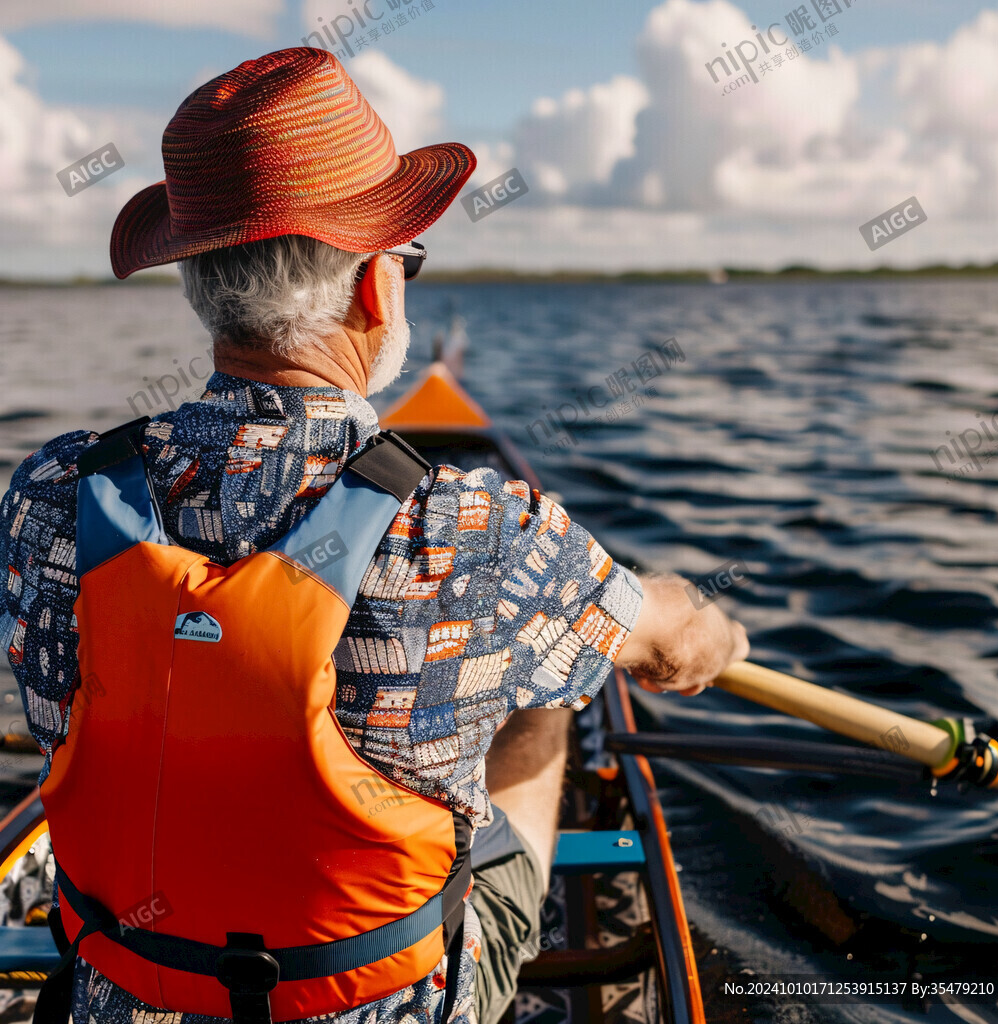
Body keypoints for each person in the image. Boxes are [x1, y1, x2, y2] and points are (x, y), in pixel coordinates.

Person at [0, 48, 748, 1024]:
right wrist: (704, 629)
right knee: (550, 688)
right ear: (373, 289)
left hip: (126, 988)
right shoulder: (474, 530)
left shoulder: (51, 492)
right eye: (404, 257)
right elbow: (672, 640)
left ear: (201, 288)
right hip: (378, 998)